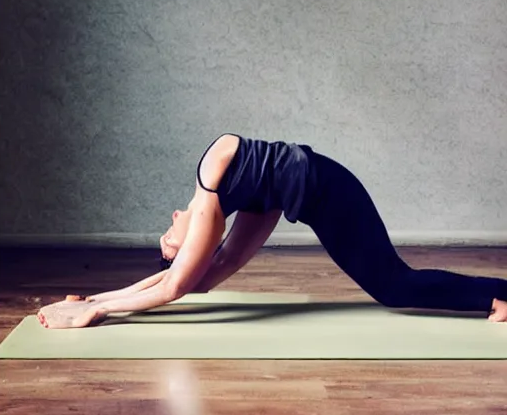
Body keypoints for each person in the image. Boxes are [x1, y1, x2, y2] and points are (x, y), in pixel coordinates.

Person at [37, 134, 507, 328]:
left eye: (166, 243)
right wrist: (98, 298)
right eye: (169, 250)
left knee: (393, 286)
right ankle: (497, 295)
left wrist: (97, 312)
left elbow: (176, 283)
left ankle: (496, 296)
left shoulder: (212, 196)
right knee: (394, 285)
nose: (166, 243)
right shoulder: (232, 203)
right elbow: (191, 280)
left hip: (331, 188)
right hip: (317, 190)